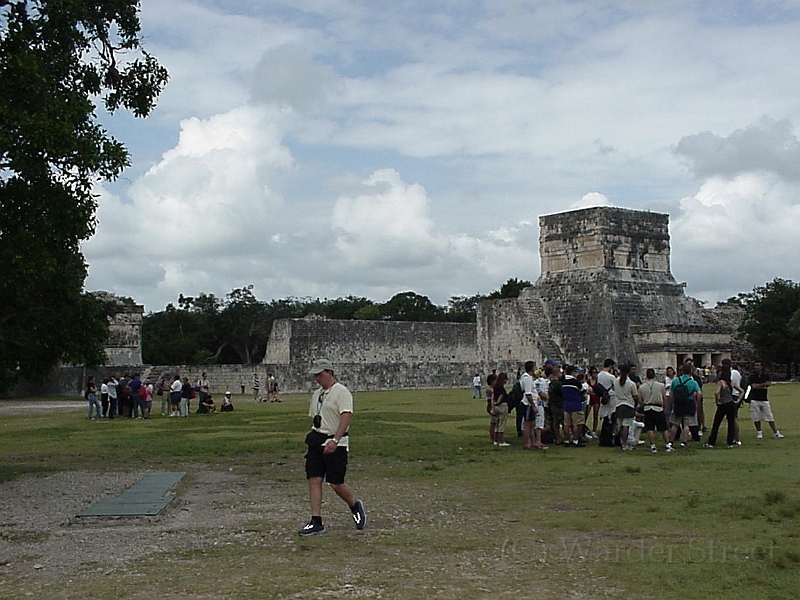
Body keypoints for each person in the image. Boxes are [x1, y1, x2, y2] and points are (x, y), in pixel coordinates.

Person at [299, 359, 366, 536]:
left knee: (335, 483)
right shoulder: (317, 394)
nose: (317, 378)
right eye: (315, 375)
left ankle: (354, 505)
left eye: (320, 374)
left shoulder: (341, 392)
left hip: (335, 441)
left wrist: (335, 440)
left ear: (329, 372)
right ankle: (316, 520)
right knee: (314, 478)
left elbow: (345, 416)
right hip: (316, 439)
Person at [704, 364, 741, 448]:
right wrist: (738, 400)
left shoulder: (721, 382)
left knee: (716, 424)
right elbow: (741, 391)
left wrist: (717, 401)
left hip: (723, 404)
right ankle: (730, 442)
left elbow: (716, 392)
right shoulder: (731, 382)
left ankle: (711, 442)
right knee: (731, 423)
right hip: (731, 403)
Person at [639, 368, 673, 453]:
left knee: (650, 428)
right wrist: (665, 407)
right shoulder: (661, 385)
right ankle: (667, 445)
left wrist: (643, 406)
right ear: (654, 375)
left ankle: (653, 446)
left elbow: (640, 400)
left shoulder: (642, 387)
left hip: (647, 408)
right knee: (663, 428)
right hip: (658, 408)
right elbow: (664, 398)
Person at [748, 360, 784, 439]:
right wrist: (763, 385)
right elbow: (754, 386)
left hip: (764, 399)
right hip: (755, 399)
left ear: (762, 367)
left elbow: (769, 384)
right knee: (756, 417)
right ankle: (759, 432)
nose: (756, 367)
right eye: (755, 365)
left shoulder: (766, 375)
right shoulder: (752, 376)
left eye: (758, 365)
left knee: (769, 416)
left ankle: (775, 432)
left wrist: (759, 385)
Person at [669, 363, 701, 446]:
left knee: (675, 423)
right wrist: (697, 402)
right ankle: (684, 441)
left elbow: (671, 393)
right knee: (687, 424)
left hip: (678, 403)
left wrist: (673, 402)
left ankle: (671, 440)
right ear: (690, 371)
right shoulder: (693, 382)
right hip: (689, 402)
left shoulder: (675, 380)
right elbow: (699, 393)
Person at [614, 364, 639, 451]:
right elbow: (635, 395)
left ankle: (622, 442)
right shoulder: (631, 383)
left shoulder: (616, 381)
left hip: (618, 404)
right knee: (626, 426)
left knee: (621, 425)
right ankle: (625, 443)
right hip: (628, 404)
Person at [562, 365, 585, 447]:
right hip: (575, 403)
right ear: (572, 372)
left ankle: (566, 440)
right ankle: (575, 440)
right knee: (576, 423)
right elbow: (582, 390)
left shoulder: (563, 381)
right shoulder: (576, 382)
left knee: (566, 424)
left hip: (566, 403)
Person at [490, 372, 511, 447]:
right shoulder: (501, 387)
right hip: (502, 406)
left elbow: (493, 397)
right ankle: (501, 441)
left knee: (497, 424)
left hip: (496, 407)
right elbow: (501, 396)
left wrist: (493, 406)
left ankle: (496, 440)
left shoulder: (495, 386)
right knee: (502, 424)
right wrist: (498, 402)